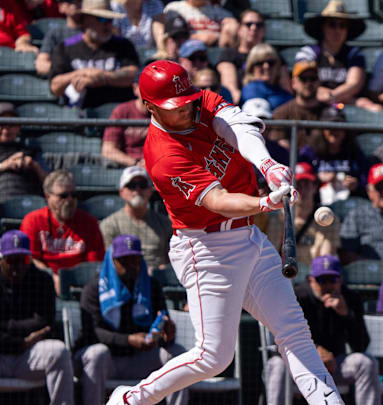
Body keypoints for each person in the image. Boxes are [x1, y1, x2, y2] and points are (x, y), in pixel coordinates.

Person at [105, 60, 344, 405]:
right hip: (206, 248)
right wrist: (264, 204)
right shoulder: (161, 155)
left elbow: (239, 127)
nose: (186, 109)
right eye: (175, 107)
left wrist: (268, 166)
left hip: (248, 238)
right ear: (149, 107)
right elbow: (217, 200)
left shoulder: (197, 100)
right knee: (213, 357)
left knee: (294, 331)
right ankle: (129, 400)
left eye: (188, 100)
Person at [75, 234, 187, 405]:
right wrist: (128, 340)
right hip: (108, 361)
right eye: (125, 261)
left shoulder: (151, 285)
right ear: (113, 260)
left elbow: (162, 322)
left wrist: (167, 333)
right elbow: (93, 333)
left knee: (176, 353)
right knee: (97, 354)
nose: (132, 266)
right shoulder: (95, 288)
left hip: (139, 358)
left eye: (135, 259)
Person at [265, 255, 381, 405]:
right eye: (321, 280)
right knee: (277, 364)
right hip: (300, 364)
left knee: (366, 363)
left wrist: (346, 314)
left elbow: (361, 345)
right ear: (311, 280)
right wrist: (314, 350)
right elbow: (278, 340)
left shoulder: (350, 298)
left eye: (332, 280)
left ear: (340, 280)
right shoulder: (296, 297)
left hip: (335, 364)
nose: (328, 286)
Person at [0, 230, 75, 405]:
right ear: (1, 260)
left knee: (59, 352)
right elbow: (35, 324)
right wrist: (22, 341)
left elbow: (44, 323)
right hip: (3, 353)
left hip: (29, 355)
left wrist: (6, 327)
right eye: (12, 261)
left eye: (23, 260)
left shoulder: (42, 280)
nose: (17, 266)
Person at [20, 170, 105, 294]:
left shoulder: (89, 223)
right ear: (48, 196)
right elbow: (31, 258)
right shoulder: (33, 221)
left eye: (74, 195)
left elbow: (94, 263)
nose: (70, 200)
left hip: (82, 286)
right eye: (63, 196)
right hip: (43, 285)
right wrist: (51, 277)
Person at [49, 0, 140, 109]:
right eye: (101, 19)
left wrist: (101, 77)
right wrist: (81, 73)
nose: (107, 24)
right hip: (78, 116)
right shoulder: (65, 47)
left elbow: (133, 75)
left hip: (118, 115)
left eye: (110, 19)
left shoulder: (123, 44)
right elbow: (55, 86)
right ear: (84, 21)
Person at [297, 0, 381, 111]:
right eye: (332, 24)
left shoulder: (354, 54)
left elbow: (354, 84)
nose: (337, 30)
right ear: (323, 27)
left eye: (342, 26)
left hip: (343, 103)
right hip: (314, 101)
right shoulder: (308, 52)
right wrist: (320, 93)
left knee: (374, 108)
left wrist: (331, 96)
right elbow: (303, 82)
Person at [265, 163, 340, 266]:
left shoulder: (329, 219)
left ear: (314, 187)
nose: (303, 189)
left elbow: (325, 260)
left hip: (314, 276)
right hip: (284, 273)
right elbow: (271, 257)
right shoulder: (279, 219)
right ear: (290, 189)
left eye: (306, 183)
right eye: (298, 184)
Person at [100, 166, 172, 273]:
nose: (137, 190)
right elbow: (109, 263)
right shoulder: (109, 224)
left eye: (142, 185)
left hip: (159, 282)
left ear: (150, 191)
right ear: (121, 192)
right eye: (131, 186)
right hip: (125, 281)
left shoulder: (165, 224)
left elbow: (171, 259)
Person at [298, 105, 370, 205]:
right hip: (316, 204)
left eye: (338, 126)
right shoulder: (310, 152)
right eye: (330, 126)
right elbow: (299, 176)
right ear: (322, 129)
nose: (335, 130)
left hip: (348, 203)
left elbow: (366, 179)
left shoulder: (353, 151)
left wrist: (356, 184)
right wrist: (317, 178)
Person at [268, 61, 326, 151]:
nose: (308, 83)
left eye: (313, 78)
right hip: (291, 163)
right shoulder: (281, 112)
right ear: (293, 83)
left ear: (319, 82)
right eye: (303, 79)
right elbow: (279, 147)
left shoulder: (328, 112)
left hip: (322, 162)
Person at [0, 102, 48, 202]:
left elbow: (50, 185)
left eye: (11, 124)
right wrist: (6, 165)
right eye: (2, 124)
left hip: (29, 201)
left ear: (18, 128)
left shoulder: (30, 150)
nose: (6, 129)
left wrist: (34, 165)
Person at [216, 8, 265, 104]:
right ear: (239, 29)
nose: (254, 28)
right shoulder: (229, 54)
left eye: (259, 25)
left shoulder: (272, 55)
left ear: (264, 30)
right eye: (248, 24)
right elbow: (230, 89)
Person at [102, 73, 151, 168]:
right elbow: (108, 150)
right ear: (135, 88)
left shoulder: (164, 112)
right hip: (129, 167)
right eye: (146, 86)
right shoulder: (122, 111)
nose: (150, 91)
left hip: (158, 166)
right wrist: (136, 163)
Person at [36, 0, 83, 76]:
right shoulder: (55, 34)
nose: (76, 4)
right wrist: (71, 73)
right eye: (71, 1)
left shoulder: (95, 33)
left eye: (80, 0)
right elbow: (41, 64)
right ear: (61, 6)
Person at [240, 43, 293, 111]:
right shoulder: (251, 89)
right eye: (260, 62)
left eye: (271, 62)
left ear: (278, 66)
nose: (266, 66)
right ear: (251, 67)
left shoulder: (283, 91)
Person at [162, 0, 237, 48]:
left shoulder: (223, 13)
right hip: (186, 52)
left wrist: (217, 37)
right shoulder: (174, 8)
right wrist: (199, 38)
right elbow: (170, 38)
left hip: (216, 51)